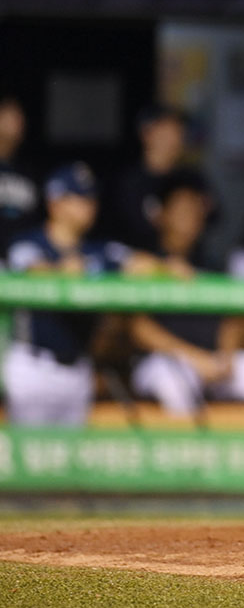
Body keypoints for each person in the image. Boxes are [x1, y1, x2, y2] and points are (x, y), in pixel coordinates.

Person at [127, 172, 244, 419]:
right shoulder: (144, 262)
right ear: (162, 214)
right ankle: (186, 446)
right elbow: (139, 329)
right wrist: (194, 358)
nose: (189, 217)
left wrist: (226, 356)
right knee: (177, 384)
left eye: (195, 210)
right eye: (182, 209)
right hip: (164, 361)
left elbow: (228, 319)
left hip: (212, 362)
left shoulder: (213, 261)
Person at [2, 163, 148, 425]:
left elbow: (142, 264)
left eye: (91, 198)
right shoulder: (28, 242)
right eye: (79, 198)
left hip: (78, 369)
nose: (89, 205)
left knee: (71, 451)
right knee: (30, 449)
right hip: (35, 366)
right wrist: (64, 271)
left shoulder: (98, 250)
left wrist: (170, 267)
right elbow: (33, 270)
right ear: (55, 203)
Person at [108, 104, 213, 252]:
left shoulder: (191, 178)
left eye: (178, 131)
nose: (173, 137)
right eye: (166, 130)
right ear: (146, 133)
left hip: (185, 260)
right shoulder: (127, 181)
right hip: (138, 260)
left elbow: (215, 215)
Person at [0, 94, 38, 258]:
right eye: (11, 117)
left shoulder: (29, 171)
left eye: (20, 118)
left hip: (20, 259)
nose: (18, 123)